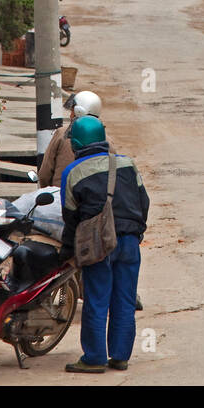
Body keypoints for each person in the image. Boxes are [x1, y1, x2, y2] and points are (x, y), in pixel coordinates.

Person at [61, 115, 150, 374]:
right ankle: (120, 356)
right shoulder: (128, 164)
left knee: (97, 300)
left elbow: (70, 218)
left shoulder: (72, 172)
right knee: (124, 299)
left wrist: (68, 253)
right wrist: (137, 232)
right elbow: (143, 202)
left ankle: (95, 357)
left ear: (76, 144)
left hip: (99, 246)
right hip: (130, 242)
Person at [38, 91, 102, 192]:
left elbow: (44, 174)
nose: (70, 115)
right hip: (94, 199)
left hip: (60, 197)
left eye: (72, 111)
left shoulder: (62, 134)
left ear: (79, 112)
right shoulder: (108, 140)